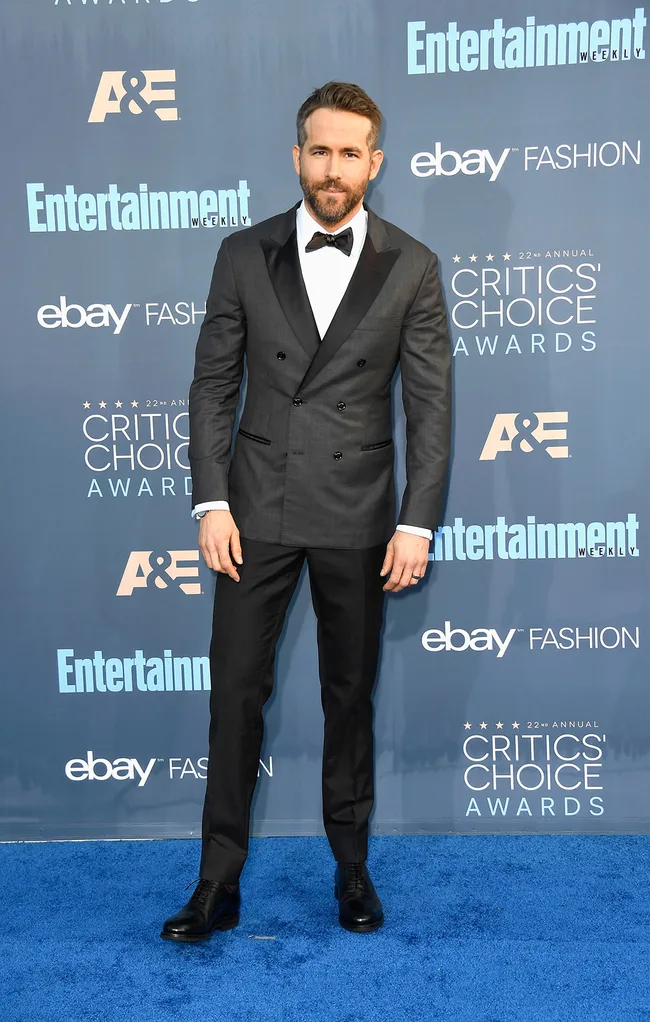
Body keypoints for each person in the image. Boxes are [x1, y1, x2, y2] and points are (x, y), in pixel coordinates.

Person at [161, 81, 452, 942]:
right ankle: (217, 882)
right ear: (297, 157)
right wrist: (210, 499)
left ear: (376, 162)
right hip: (252, 514)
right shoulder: (242, 254)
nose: (334, 169)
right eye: (319, 151)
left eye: (351, 152)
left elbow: (431, 407)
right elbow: (214, 384)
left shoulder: (412, 264)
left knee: (348, 696)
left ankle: (351, 870)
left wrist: (417, 519)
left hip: (361, 516)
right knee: (234, 698)